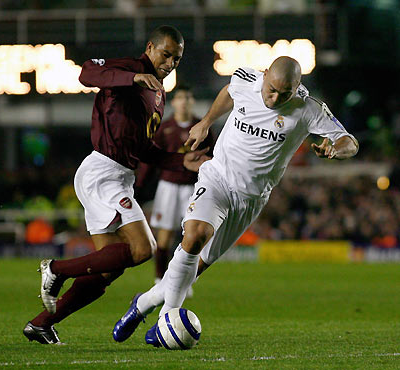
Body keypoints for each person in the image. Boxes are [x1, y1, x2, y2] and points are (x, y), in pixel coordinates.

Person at [112, 56, 359, 346]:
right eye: (271, 89)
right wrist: (206, 122)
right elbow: (229, 92)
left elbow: (349, 142)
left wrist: (334, 150)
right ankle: (168, 318)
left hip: (250, 198)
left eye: (284, 94)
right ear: (265, 75)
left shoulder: (309, 109)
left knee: (194, 269)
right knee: (195, 237)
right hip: (217, 177)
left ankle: (141, 304)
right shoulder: (246, 79)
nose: (274, 98)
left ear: (298, 89)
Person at [22, 25, 210, 345]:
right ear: (150, 47)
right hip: (103, 171)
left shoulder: (158, 92)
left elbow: (142, 150)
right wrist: (133, 78)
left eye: (176, 59)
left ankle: (42, 323)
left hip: (119, 174)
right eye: (166, 54)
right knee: (142, 249)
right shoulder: (130, 70)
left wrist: (181, 162)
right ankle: (56, 269)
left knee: (107, 270)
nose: (170, 63)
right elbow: (86, 73)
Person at [135, 85, 215, 293]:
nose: (184, 101)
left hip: (194, 187)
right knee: (165, 236)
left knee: (191, 237)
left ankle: (182, 282)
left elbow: (213, 158)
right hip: (168, 187)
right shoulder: (164, 127)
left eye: (188, 97)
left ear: (192, 101)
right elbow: (152, 158)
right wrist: (140, 184)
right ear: (174, 102)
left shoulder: (202, 127)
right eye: (180, 97)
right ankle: (159, 279)